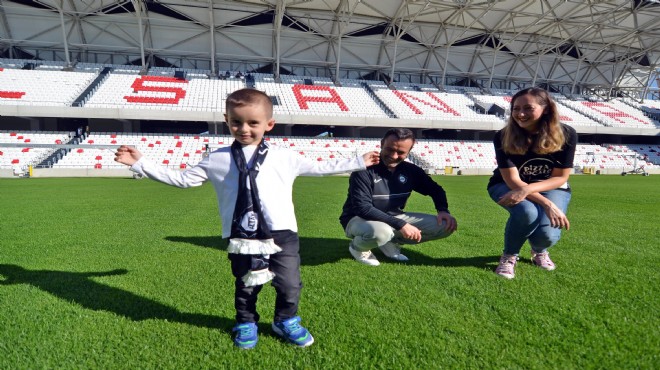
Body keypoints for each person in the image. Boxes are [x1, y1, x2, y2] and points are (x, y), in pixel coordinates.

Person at [114, 88, 379, 349]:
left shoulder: (284, 156)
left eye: (253, 122)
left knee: (289, 284)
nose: (244, 129)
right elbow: (182, 180)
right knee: (246, 284)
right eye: (236, 122)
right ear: (226, 121)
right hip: (241, 236)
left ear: (269, 124)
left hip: (282, 234)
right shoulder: (216, 159)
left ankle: (285, 320)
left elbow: (322, 168)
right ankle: (246, 322)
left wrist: (357, 160)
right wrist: (141, 163)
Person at [487, 87, 576, 279]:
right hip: (506, 184)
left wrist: (530, 191)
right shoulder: (503, 136)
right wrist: (546, 204)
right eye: (516, 108)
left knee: (546, 236)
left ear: (546, 109)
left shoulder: (566, 134)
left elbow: (561, 177)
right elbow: (512, 180)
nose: (520, 114)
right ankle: (509, 256)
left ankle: (539, 251)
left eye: (528, 108)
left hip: (551, 186)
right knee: (527, 212)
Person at [339, 128, 458, 266]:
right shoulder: (364, 170)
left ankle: (389, 241)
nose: (394, 156)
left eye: (401, 152)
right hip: (358, 219)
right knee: (382, 231)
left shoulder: (411, 171)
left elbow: (436, 190)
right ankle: (358, 248)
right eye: (390, 149)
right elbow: (362, 208)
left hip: (394, 217)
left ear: (409, 151)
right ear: (382, 143)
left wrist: (443, 210)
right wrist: (401, 224)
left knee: (444, 226)